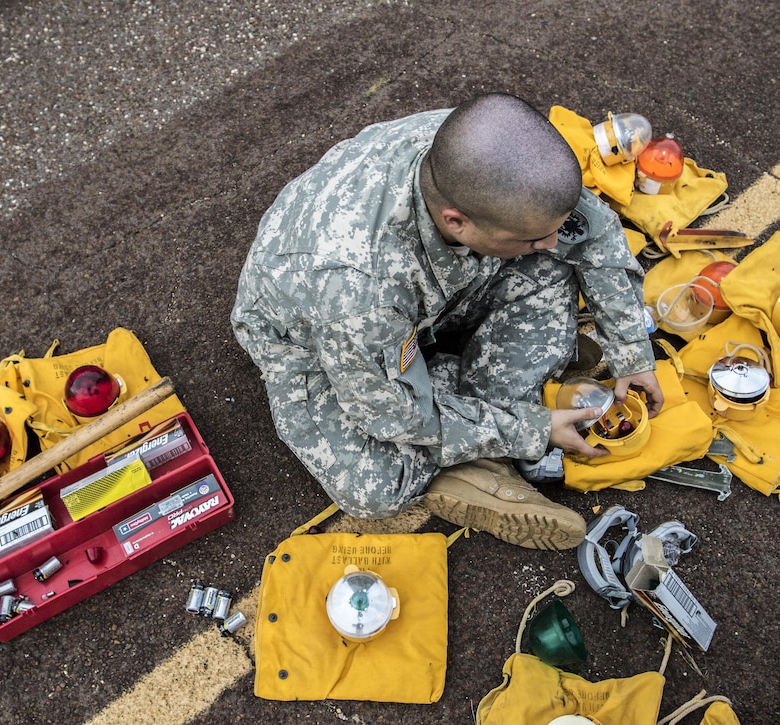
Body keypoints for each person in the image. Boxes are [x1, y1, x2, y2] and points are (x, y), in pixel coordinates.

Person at [231, 92, 663, 550]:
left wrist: (633, 352)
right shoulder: (359, 293)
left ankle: (472, 441)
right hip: (317, 338)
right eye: (534, 236)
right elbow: (392, 416)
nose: (553, 240)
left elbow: (592, 237)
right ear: (457, 222)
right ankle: (479, 433)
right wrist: (529, 429)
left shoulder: (483, 151)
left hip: (408, 301)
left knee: (557, 266)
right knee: (374, 487)